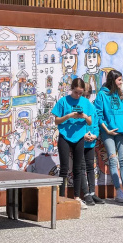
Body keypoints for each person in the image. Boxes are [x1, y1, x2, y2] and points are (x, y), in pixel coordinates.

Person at [94, 69, 123, 203]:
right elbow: (98, 115)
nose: (121, 82)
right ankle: (118, 192)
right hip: (108, 133)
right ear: (113, 80)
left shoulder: (122, 95)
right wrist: (107, 130)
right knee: (113, 160)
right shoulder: (102, 95)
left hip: (122, 132)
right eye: (119, 80)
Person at [51, 78, 93, 208]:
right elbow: (57, 121)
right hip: (65, 136)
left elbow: (90, 122)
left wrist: (84, 116)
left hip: (79, 136)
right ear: (71, 89)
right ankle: (61, 197)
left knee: (78, 168)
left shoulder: (86, 102)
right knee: (64, 168)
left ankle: (77, 197)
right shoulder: (63, 101)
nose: (78, 95)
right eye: (76, 92)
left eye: (81, 93)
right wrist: (69, 116)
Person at [81, 83, 104, 205]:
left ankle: (92, 192)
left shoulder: (92, 107)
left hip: (90, 143)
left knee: (90, 167)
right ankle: (85, 193)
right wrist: (82, 135)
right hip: (80, 143)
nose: (85, 98)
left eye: (87, 95)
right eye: (83, 95)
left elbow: (95, 123)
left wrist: (94, 135)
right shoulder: (77, 107)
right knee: (81, 168)